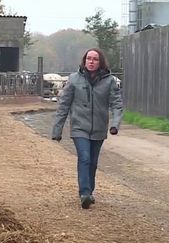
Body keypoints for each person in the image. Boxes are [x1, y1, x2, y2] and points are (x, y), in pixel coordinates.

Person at [51, 48, 123, 209]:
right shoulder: (74, 79)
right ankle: (84, 193)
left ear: (100, 62)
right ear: (84, 61)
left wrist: (114, 125)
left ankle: (89, 191)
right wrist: (57, 130)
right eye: (88, 58)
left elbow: (117, 105)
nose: (91, 61)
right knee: (84, 157)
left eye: (95, 59)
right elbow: (64, 105)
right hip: (79, 127)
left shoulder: (109, 81)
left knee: (93, 162)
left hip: (99, 128)